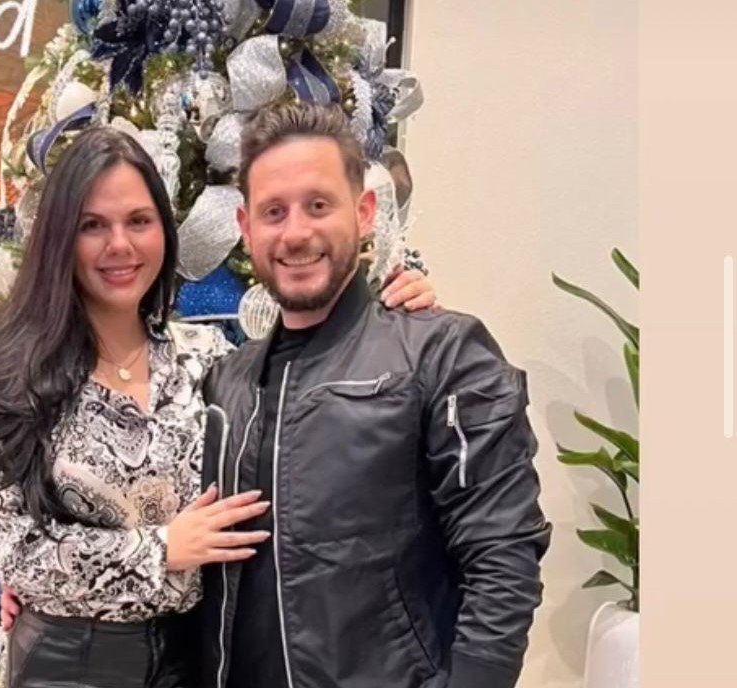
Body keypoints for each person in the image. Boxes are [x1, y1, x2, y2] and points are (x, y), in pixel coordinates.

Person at [0, 126, 437, 688]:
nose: (120, 245)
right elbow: (15, 552)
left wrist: (389, 321)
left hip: (198, 658)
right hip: (69, 665)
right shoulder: (3, 380)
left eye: (139, 221)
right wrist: (163, 550)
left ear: (164, 229)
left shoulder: (207, 359)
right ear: (61, 237)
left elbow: (311, 411)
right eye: (93, 225)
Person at [196, 101, 552, 688]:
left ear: (363, 213)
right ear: (246, 228)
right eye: (274, 211)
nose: (296, 233)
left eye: (318, 205)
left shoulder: (441, 354)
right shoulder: (224, 384)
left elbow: (503, 558)